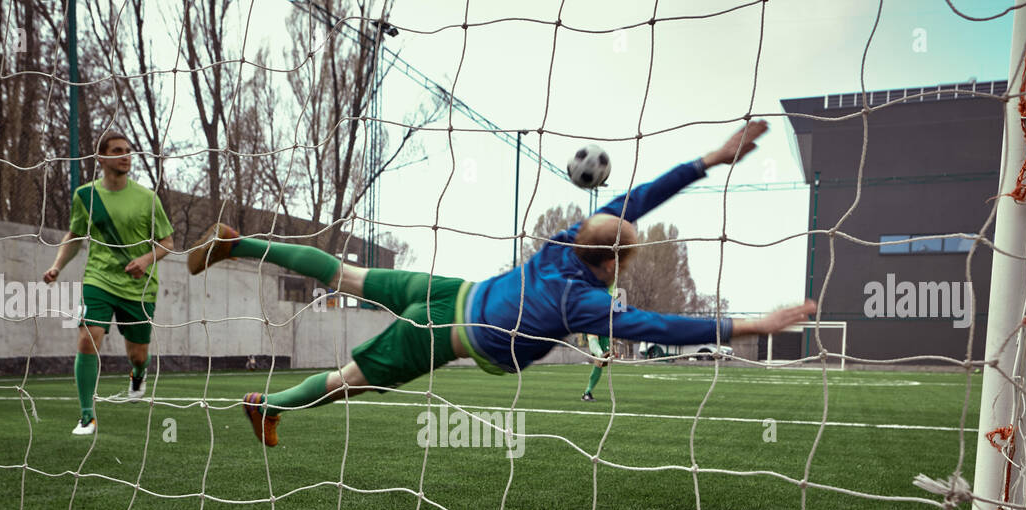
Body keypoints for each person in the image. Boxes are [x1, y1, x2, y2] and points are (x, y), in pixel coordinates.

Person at [187, 120, 816, 446]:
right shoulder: (584, 300)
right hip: (444, 333)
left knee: (347, 271)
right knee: (348, 382)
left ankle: (239, 242)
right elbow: (659, 326)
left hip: (445, 289)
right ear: (616, 267)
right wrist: (752, 324)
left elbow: (641, 198)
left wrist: (710, 159)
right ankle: (266, 406)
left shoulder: (565, 241)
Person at [43, 130, 175, 435]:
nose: (125, 156)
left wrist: (144, 260)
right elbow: (75, 236)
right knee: (88, 337)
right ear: (101, 158)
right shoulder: (85, 196)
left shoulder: (147, 198)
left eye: (128, 151)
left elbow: (167, 241)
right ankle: (87, 416)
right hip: (98, 279)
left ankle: (138, 374)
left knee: (137, 354)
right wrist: (56, 266)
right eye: (117, 151)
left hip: (138, 287)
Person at [580, 333, 611, 401]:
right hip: (594, 323)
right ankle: (600, 354)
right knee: (592, 336)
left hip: (605, 328)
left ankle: (587, 393)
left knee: (599, 364)